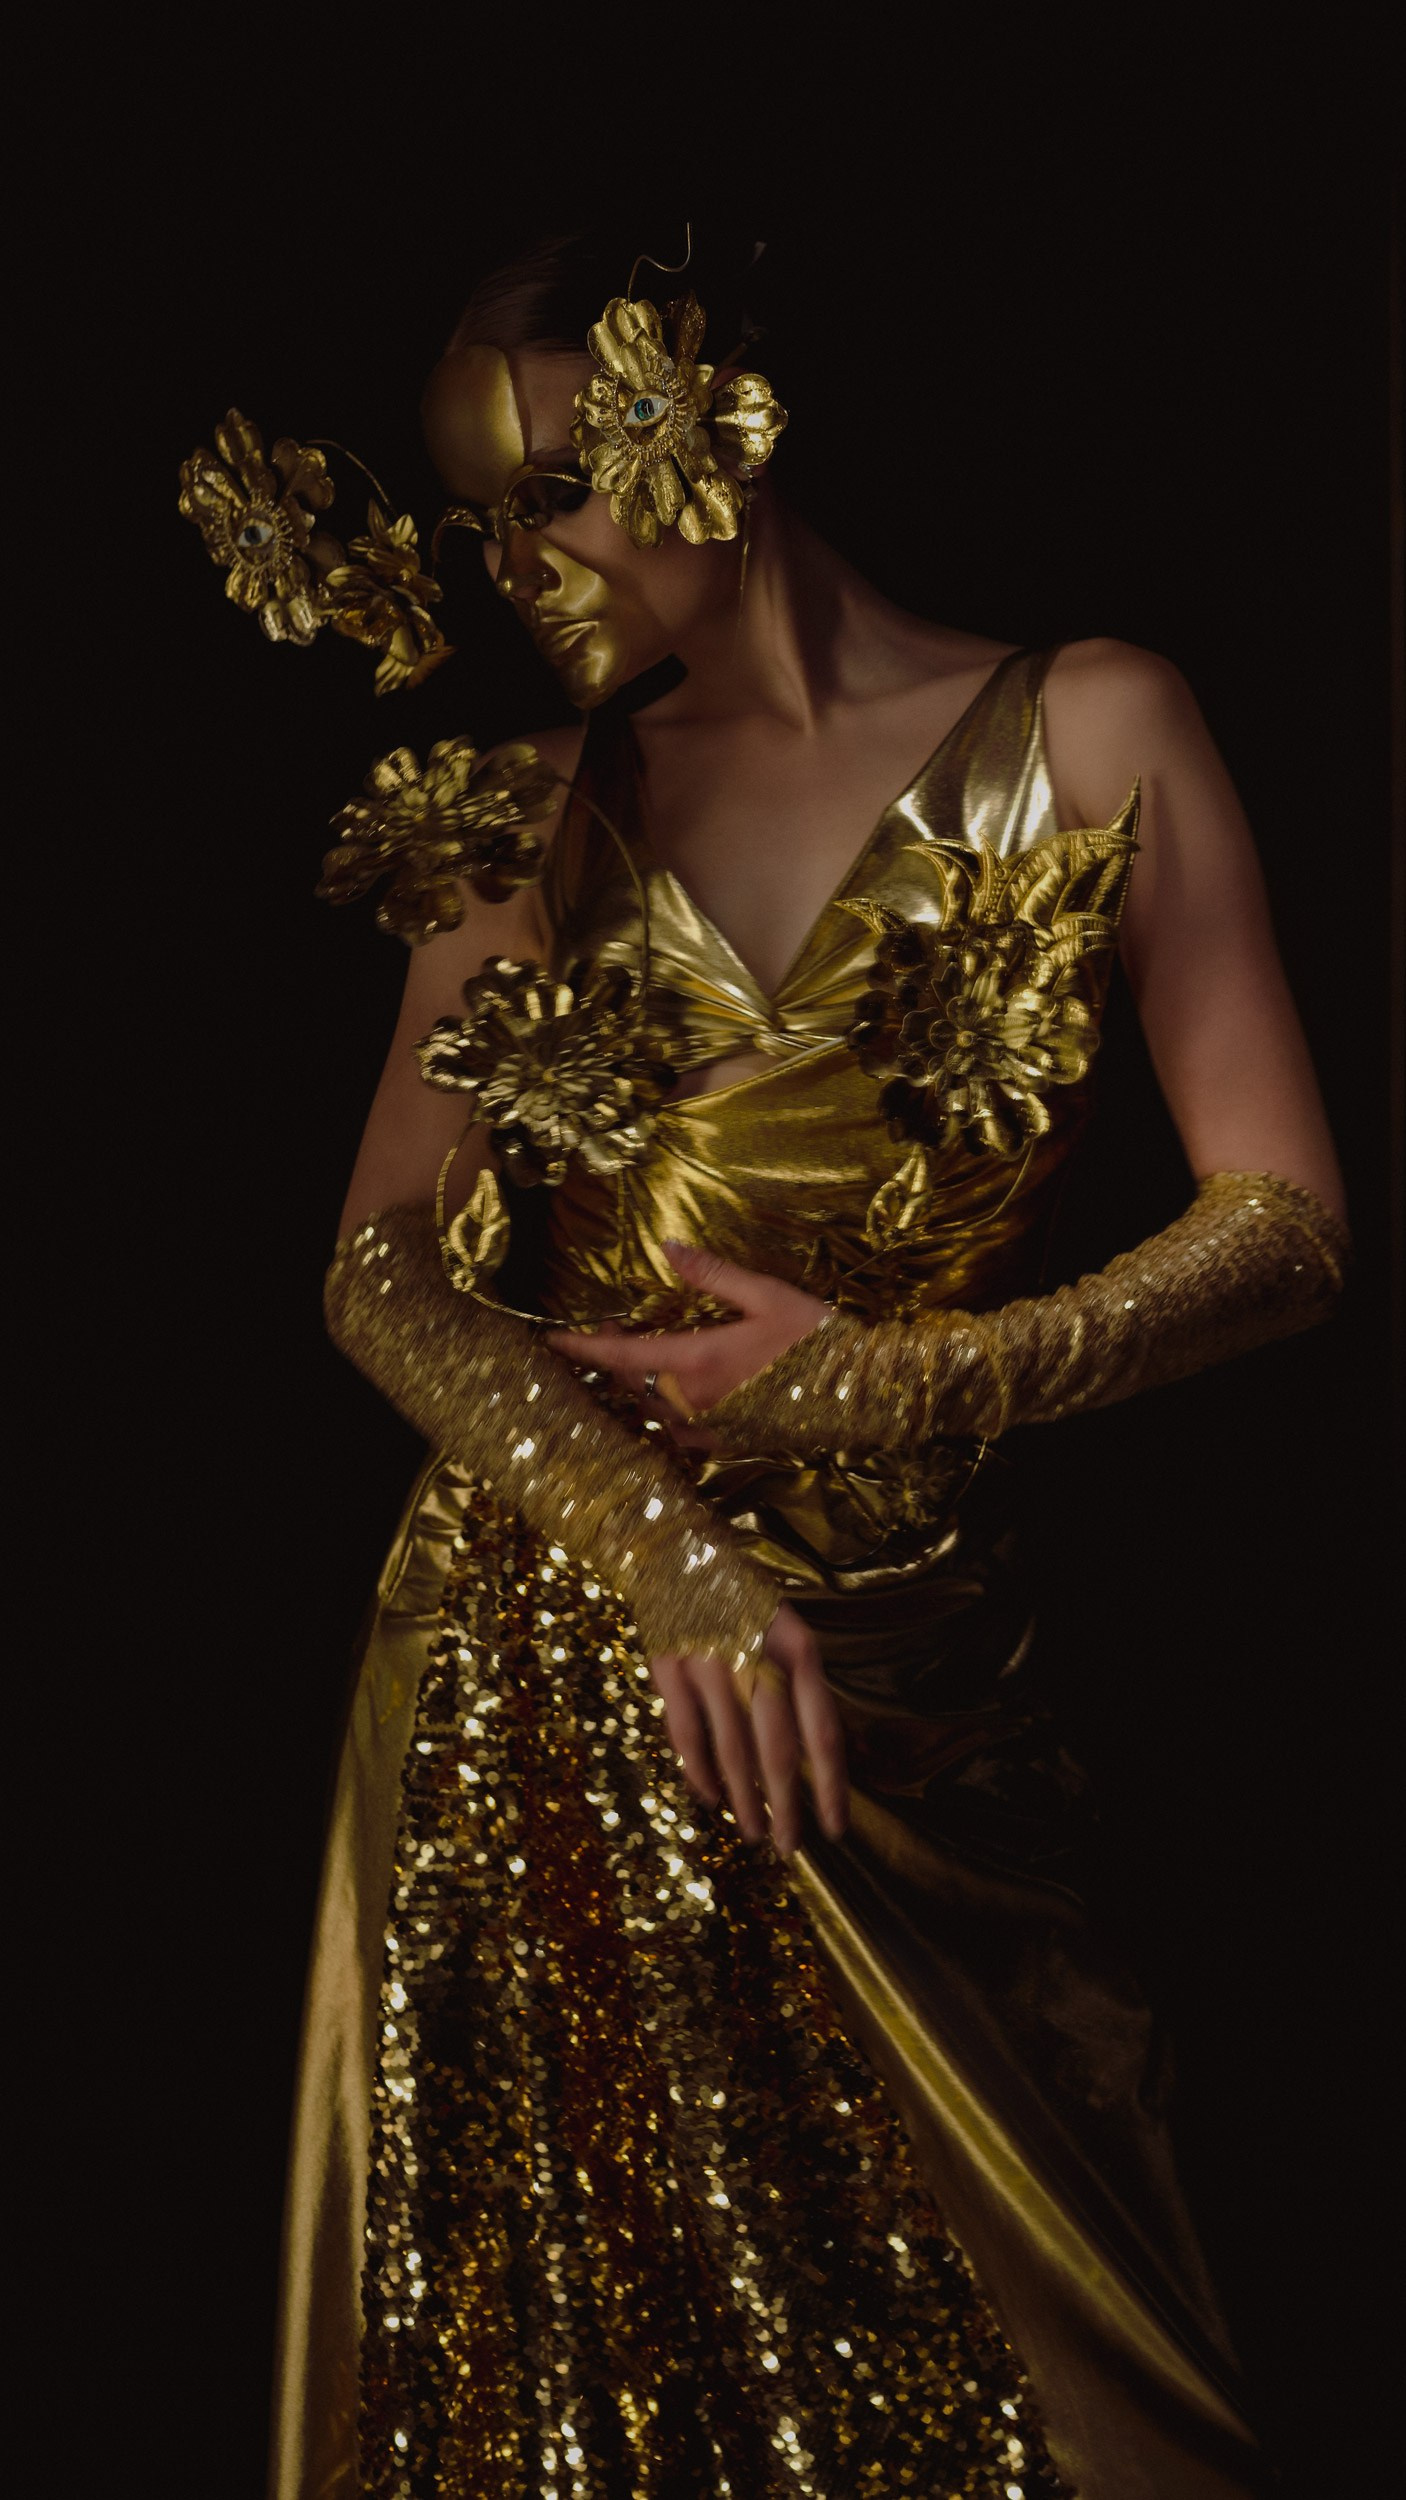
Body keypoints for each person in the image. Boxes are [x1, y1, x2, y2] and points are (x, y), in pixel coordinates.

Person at [185, 227, 1347, 2500]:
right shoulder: (520, 812)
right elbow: (378, 1274)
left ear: (700, 424)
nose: (507, 564)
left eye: (545, 495)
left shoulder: (1093, 725)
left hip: (915, 1660)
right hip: (556, 1663)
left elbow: (1286, 1228)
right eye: (472, 523)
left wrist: (910, 1382)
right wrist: (655, 1540)